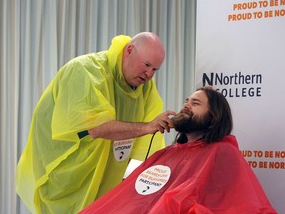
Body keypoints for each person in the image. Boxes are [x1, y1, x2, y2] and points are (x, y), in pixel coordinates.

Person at [15, 32, 176, 214]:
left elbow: (147, 143)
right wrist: (147, 127)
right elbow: (98, 127)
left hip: (106, 182)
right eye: (146, 65)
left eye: (155, 70)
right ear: (129, 51)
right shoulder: (85, 71)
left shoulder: (144, 87)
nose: (149, 74)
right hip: (68, 179)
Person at [80, 86, 277, 214]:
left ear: (214, 117)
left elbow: (225, 205)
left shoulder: (222, 152)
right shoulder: (168, 153)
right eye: (186, 101)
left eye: (195, 103)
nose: (186, 106)